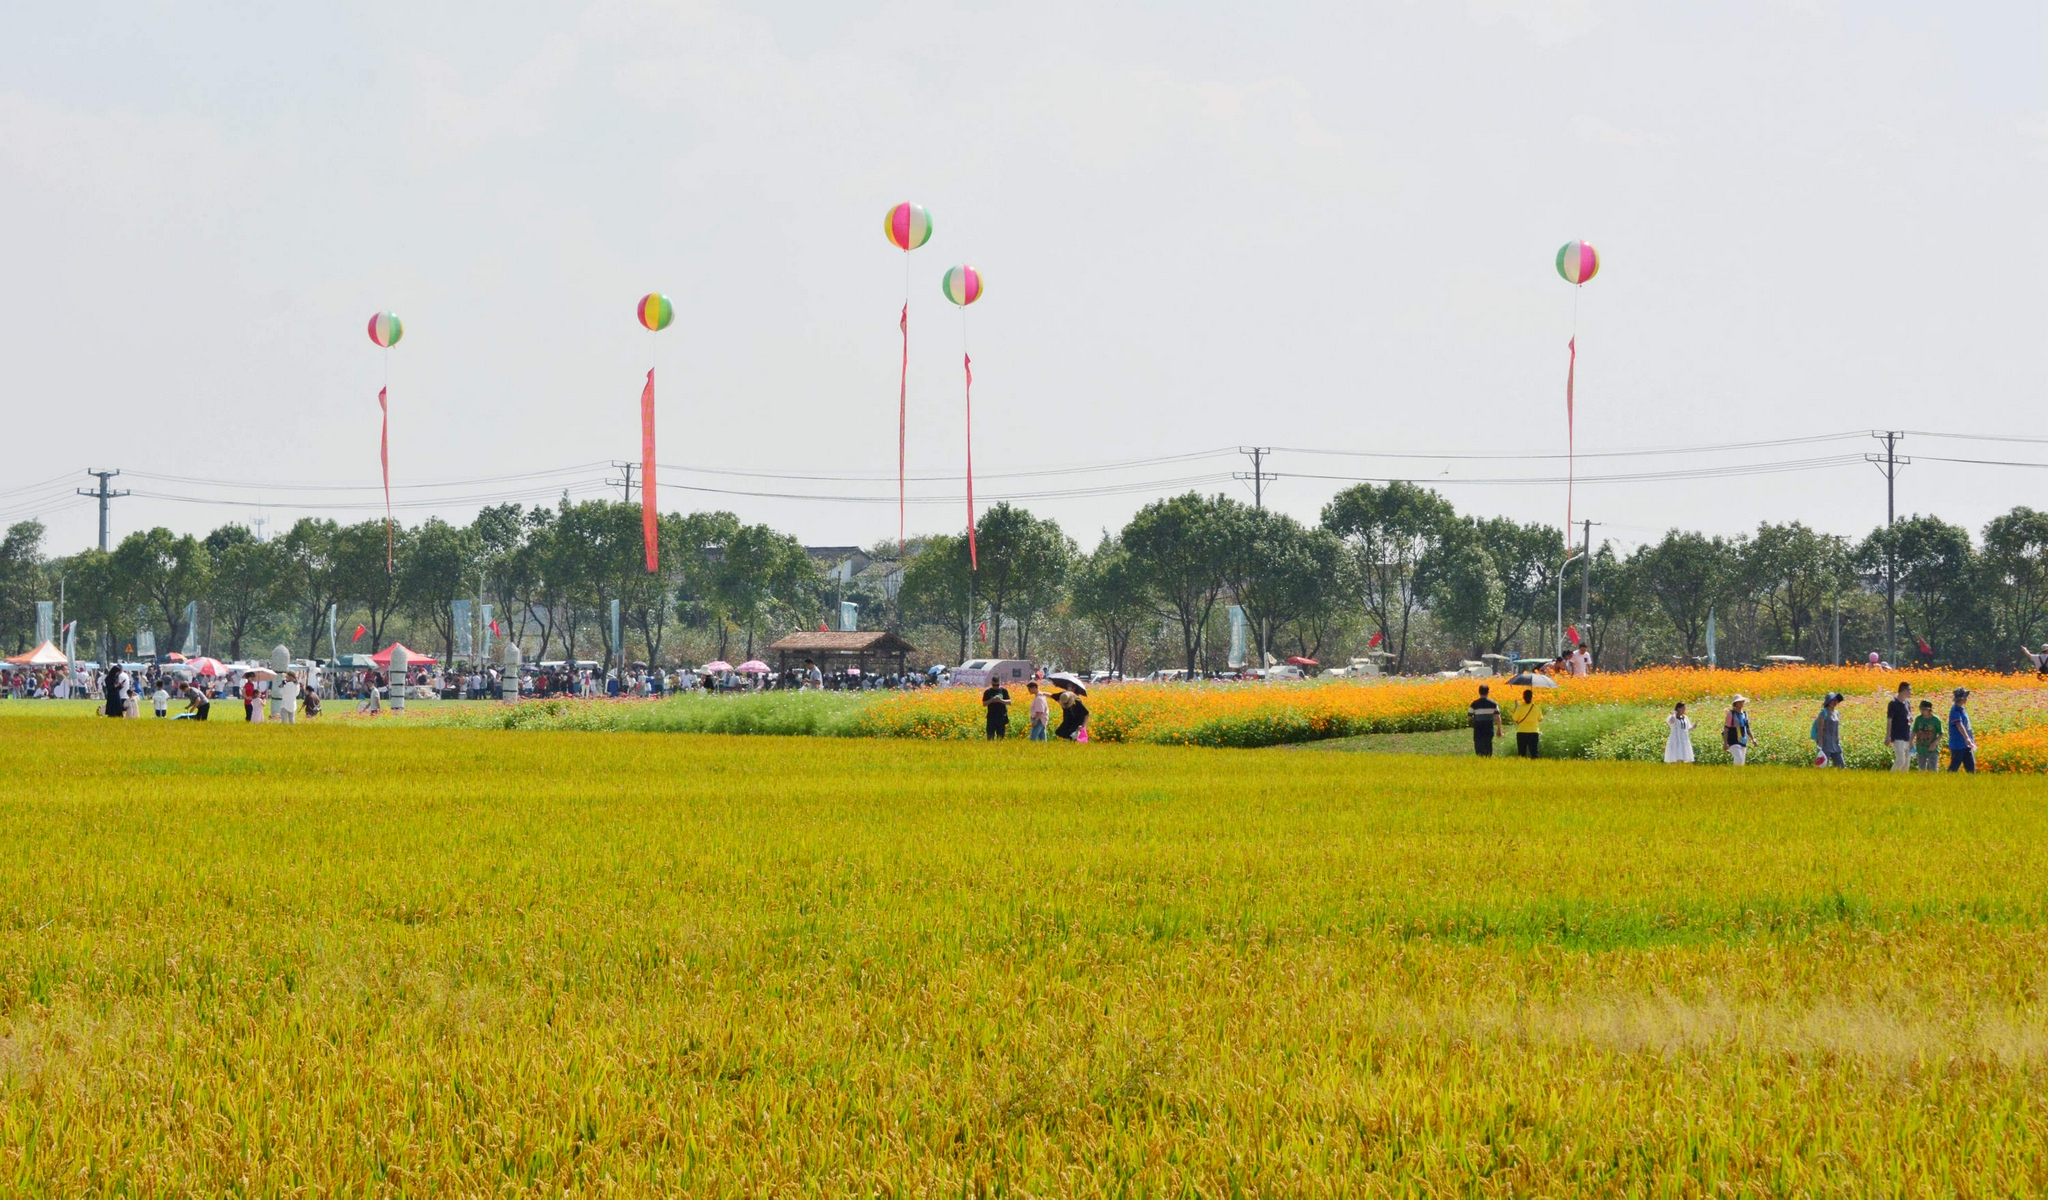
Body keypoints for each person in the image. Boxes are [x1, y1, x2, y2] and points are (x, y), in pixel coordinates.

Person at [1506, 687, 1543, 759]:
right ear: (1532, 697)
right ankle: (1535, 767)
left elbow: (1514, 719)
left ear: (1523, 697)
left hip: (1521, 732)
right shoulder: (1536, 708)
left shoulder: (1520, 708)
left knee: (1521, 753)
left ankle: (1521, 767)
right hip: (1534, 732)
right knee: (1534, 752)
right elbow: (1540, 719)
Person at [1886, 681, 1913, 771]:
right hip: (1897, 736)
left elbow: (1909, 717)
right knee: (1901, 760)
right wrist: (1888, 736)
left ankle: (1903, 781)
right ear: (1904, 690)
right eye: (1909, 690)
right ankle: (1890, 778)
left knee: (1907, 761)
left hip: (1907, 736)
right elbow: (1889, 720)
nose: (1911, 692)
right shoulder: (1893, 703)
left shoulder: (1907, 703)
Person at [1468, 684, 1502, 757]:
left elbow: (1470, 716)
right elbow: (1497, 717)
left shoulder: (1474, 704)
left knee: (1479, 747)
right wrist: (1499, 729)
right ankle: (1488, 762)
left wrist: (1476, 718)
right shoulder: (1493, 704)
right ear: (1488, 692)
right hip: (1489, 728)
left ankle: (1480, 762)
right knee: (1488, 746)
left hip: (1478, 729)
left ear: (1479, 692)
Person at [1812, 693, 1844, 768]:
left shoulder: (1836, 713)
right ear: (1828, 702)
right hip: (1825, 744)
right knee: (1822, 767)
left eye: (1836, 700)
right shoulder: (1823, 713)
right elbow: (1820, 729)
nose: (1834, 702)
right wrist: (1820, 744)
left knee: (1841, 766)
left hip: (1835, 744)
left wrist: (1838, 741)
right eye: (1832, 700)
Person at [1948, 688, 1976, 773]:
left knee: (1971, 767)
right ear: (1962, 699)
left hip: (1966, 745)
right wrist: (1967, 738)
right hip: (1958, 745)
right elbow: (1959, 725)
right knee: (1954, 768)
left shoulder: (1961, 709)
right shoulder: (1955, 710)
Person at [1911, 699, 1941, 771]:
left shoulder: (1935, 720)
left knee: (1933, 769)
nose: (1922, 711)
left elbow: (1941, 733)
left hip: (1932, 749)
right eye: (1921, 709)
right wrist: (1910, 741)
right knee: (1921, 769)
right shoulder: (1918, 719)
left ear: (1929, 710)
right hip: (1920, 748)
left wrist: (1935, 743)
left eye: (1924, 709)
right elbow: (1914, 730)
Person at [1723, 695, 1752, 765]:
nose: (1741, 704)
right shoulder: (1731, 714)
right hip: (1733, 740)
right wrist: (1725, 743)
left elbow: (1747, 727)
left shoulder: (1744, 714)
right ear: (1735, 704)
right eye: (1739, 702)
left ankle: (1737, 775)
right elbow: (1726, 729)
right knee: (1739, 759)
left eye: (1742, 702)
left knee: (1741, 762)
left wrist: (1753, 739)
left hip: (1743, 739)